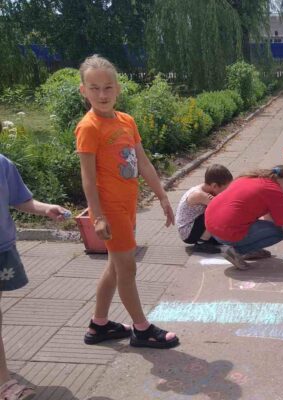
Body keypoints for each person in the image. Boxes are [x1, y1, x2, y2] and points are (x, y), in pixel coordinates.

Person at [75, 54, 178, 348]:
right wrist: (97, 216)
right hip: (110, 210)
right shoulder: (89, 128)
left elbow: (143, 162)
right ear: (83, 91)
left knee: (115, 266)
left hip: (128, 206)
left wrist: (162, 196)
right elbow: (87, 178)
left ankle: (99, 325)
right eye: (94, 88)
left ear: (118, 88)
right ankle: (142, 329)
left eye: (108, 87)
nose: (102, 94)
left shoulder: (126, 121)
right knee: (127, 269)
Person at [0, 154, 70, 399]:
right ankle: (4, 382)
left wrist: (46, 208)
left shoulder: (2, 164)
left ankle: (3, 381)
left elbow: (21, 200)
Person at [205, 165, 283, 270]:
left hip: (212, 227)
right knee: (280, 232)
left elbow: (269, 221)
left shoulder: (250, 177)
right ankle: (237, 251)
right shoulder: (276, 191)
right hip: (226, 230)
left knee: (273, 228)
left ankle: (249, 249)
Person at [175, 164, 233, 253]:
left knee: (223, 237)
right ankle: (202, 243)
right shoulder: (200, 194)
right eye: (224, 189)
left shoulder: (207, 189)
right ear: (214, 186)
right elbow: (224, 208)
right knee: (217, 212)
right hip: (187, 232)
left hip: (196, 225)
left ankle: (208, 238)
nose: (226, 192)